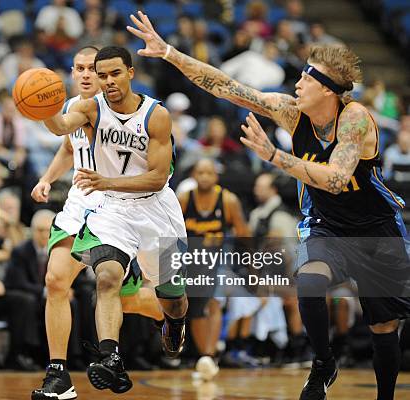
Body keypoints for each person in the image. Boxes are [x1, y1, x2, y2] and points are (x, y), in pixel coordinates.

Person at [128, 11, 410, 400]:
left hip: (375, 229)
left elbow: (336, 178)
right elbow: (226, 86)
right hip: (327, 223)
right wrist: (171, 53)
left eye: (306, 77)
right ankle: (324, 363)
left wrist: (276, 156)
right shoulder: (291, 114)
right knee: (309, 283)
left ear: (327, 89)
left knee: (383, 325)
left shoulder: (355, 120)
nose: (297, 82)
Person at [40, 46, 188, 394]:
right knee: (106, 278)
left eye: (113, 74)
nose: (107, 81)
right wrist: (42, 106)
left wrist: (104, 180)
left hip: (156, 208)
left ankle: (174, 322)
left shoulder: (156, 115)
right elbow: (62, 127)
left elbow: (155, 177)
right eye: (101, 75)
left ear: (130, 72)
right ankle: (110, 357)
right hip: (112, 209)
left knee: (173, 297)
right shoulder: (90, 107)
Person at [178, 158, 251, 378]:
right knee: (196, 309)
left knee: (214, 300)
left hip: (218, 259)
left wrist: (251, 266)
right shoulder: (184, 199)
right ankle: (205, 357)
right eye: (200, 172)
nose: (204, 177)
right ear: (194, 175)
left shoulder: (228, 200)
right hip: (191, 260)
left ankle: (209, 354)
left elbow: (244, 234)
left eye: (209, 173)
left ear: (216, 177)